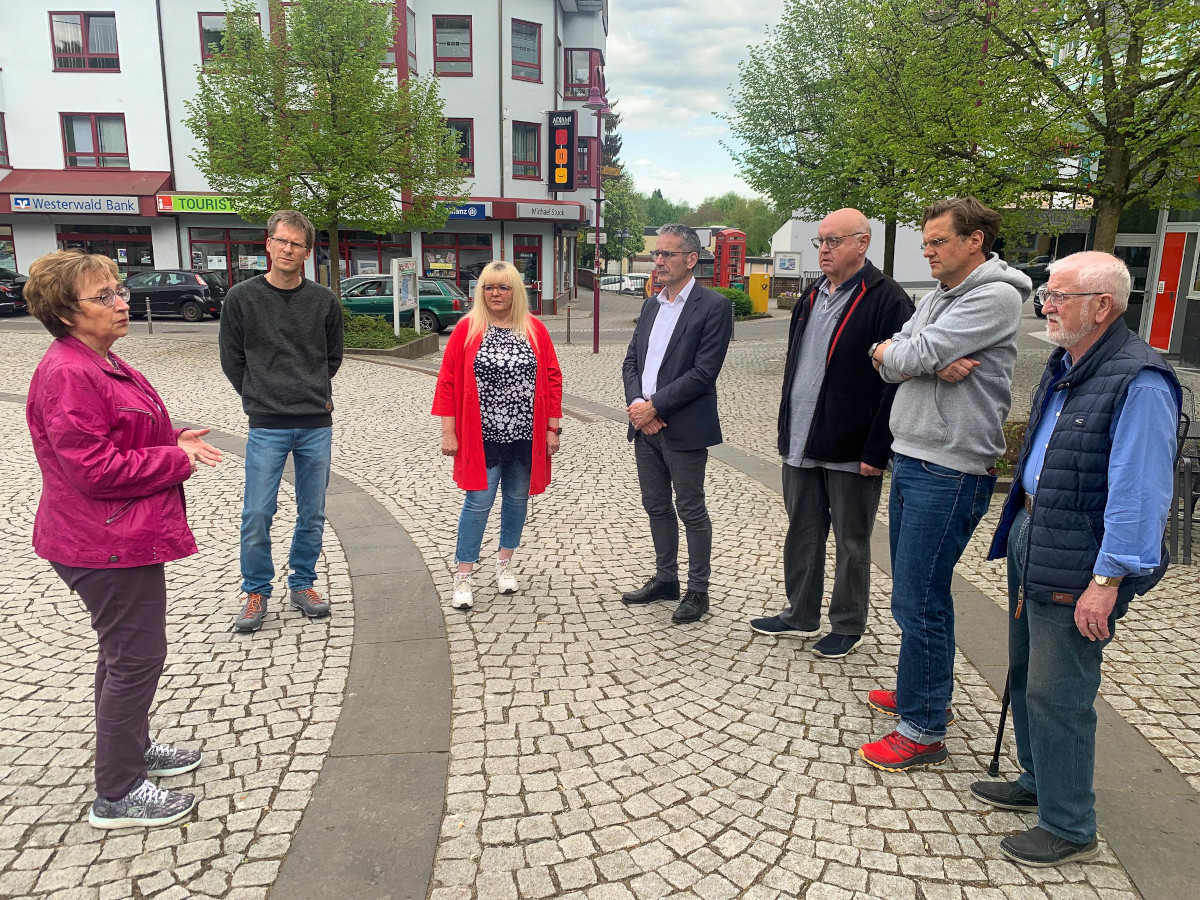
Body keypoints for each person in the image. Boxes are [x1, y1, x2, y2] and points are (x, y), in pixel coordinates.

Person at [973, 252, 1180, 866]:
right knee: (1026, 671)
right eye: (1047, 294)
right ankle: (1038, 782)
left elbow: (1141, 493)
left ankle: (1068, 824)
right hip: (1036, 533)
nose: (1046, 305)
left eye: (1059, 295)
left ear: (1102, 307)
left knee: (1060, 691)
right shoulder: (1070, 361)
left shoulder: (1139, 379)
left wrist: (1109, 579)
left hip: (1083, 558)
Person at [24, 251, 222, 829]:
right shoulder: (69, 371)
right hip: (100, 540)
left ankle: (130, 753)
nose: (121, 300)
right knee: (135, 658)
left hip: (113, 535)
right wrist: (174, 456)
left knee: (125, 655)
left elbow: (122, 430)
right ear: (66, 312)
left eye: (118, 289)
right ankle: (117, 791)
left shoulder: (98, 359)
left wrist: (173, 433)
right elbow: (93, 469)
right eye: (103, 295)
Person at [861, 197, 1030, 771]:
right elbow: (885, 354)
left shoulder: (995, 296)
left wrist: (916, 356)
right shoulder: (938, 296)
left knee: (921, 596)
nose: (928, 252)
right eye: (926, 242)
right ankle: (919, 692)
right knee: (912, 591)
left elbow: (916, 349)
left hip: (951, 467)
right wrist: (917, 358)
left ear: (975, 240)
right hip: (912, 456)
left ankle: (925, 727)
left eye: (938, 242)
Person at [751, 209, 914, 658]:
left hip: (851, 444)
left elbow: (898, 381)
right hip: (801, 439)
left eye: (833, 241)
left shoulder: (888, 299)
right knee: (802, 530)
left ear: (862, 243)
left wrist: (877, 449)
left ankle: (847, 623)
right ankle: (800, 613)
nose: (823, 250)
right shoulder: (810, 295)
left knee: (851, 539)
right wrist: (786, 428)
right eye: (820, 242)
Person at [219, 210, 344, 633]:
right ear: (268, 243)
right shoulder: (241, 298)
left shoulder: (324, 301)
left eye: (298, 244)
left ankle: (303, 583)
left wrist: (309, 390)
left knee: (313, 511)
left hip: (314, 423)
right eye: (282, 241)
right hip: (266, 423)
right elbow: (232, 359)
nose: (289, 249)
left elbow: (332, 358)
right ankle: (256, 589)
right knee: (257, 510)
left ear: (307, 252)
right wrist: (259, 396)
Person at [433, 261, 562, 610]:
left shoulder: (534, 329)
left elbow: (552, 380)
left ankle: (504, 564)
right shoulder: (467, 329)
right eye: (489, 287)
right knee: (478, 503)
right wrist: (449, 432)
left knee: (517, 501)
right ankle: (463, 575)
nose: (496, 294)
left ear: (516, 291)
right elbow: (447, 382)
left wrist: (552, 428)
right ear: (481, 291)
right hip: (481, 435)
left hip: (525, 435)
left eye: (503, 287)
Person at [621, 224, 733, 625]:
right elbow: (632, 360)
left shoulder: (714, 306)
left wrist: (654, 407)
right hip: (645, 425)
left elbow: (704, 373)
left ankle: (697, 590)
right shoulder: (652, 304)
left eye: (668, 254)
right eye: (656, 254)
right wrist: (638, 405)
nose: (659, 261)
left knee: (690, 508)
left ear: (691, 260)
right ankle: (665, 579)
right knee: (656, 506)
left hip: (683, 426)